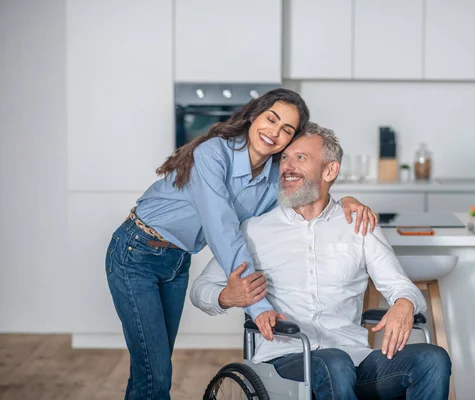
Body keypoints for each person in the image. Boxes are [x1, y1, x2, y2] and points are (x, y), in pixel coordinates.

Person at [104, 89, 377, 400]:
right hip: (135, 251)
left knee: (151, 367)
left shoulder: (274, 174)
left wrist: (345, 202)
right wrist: (259, 306)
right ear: (253, 115)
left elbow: (306, 194)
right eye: (271, 119)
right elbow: (222, 229)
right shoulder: (212, 154)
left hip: (176, 260)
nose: (274, 132)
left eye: (287, 129)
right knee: (155, 372)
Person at [191, 122, 452, 400]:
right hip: (284, 360)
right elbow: (200, 289)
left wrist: (405, 303)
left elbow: (401, 285)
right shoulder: (254, 230)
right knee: (333, 362)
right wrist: (225, 296)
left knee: (432, 358)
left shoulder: (358, 225)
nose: (287, 167)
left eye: (300, 158)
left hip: (354, 360)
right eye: (284, 158)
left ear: (330, 170)